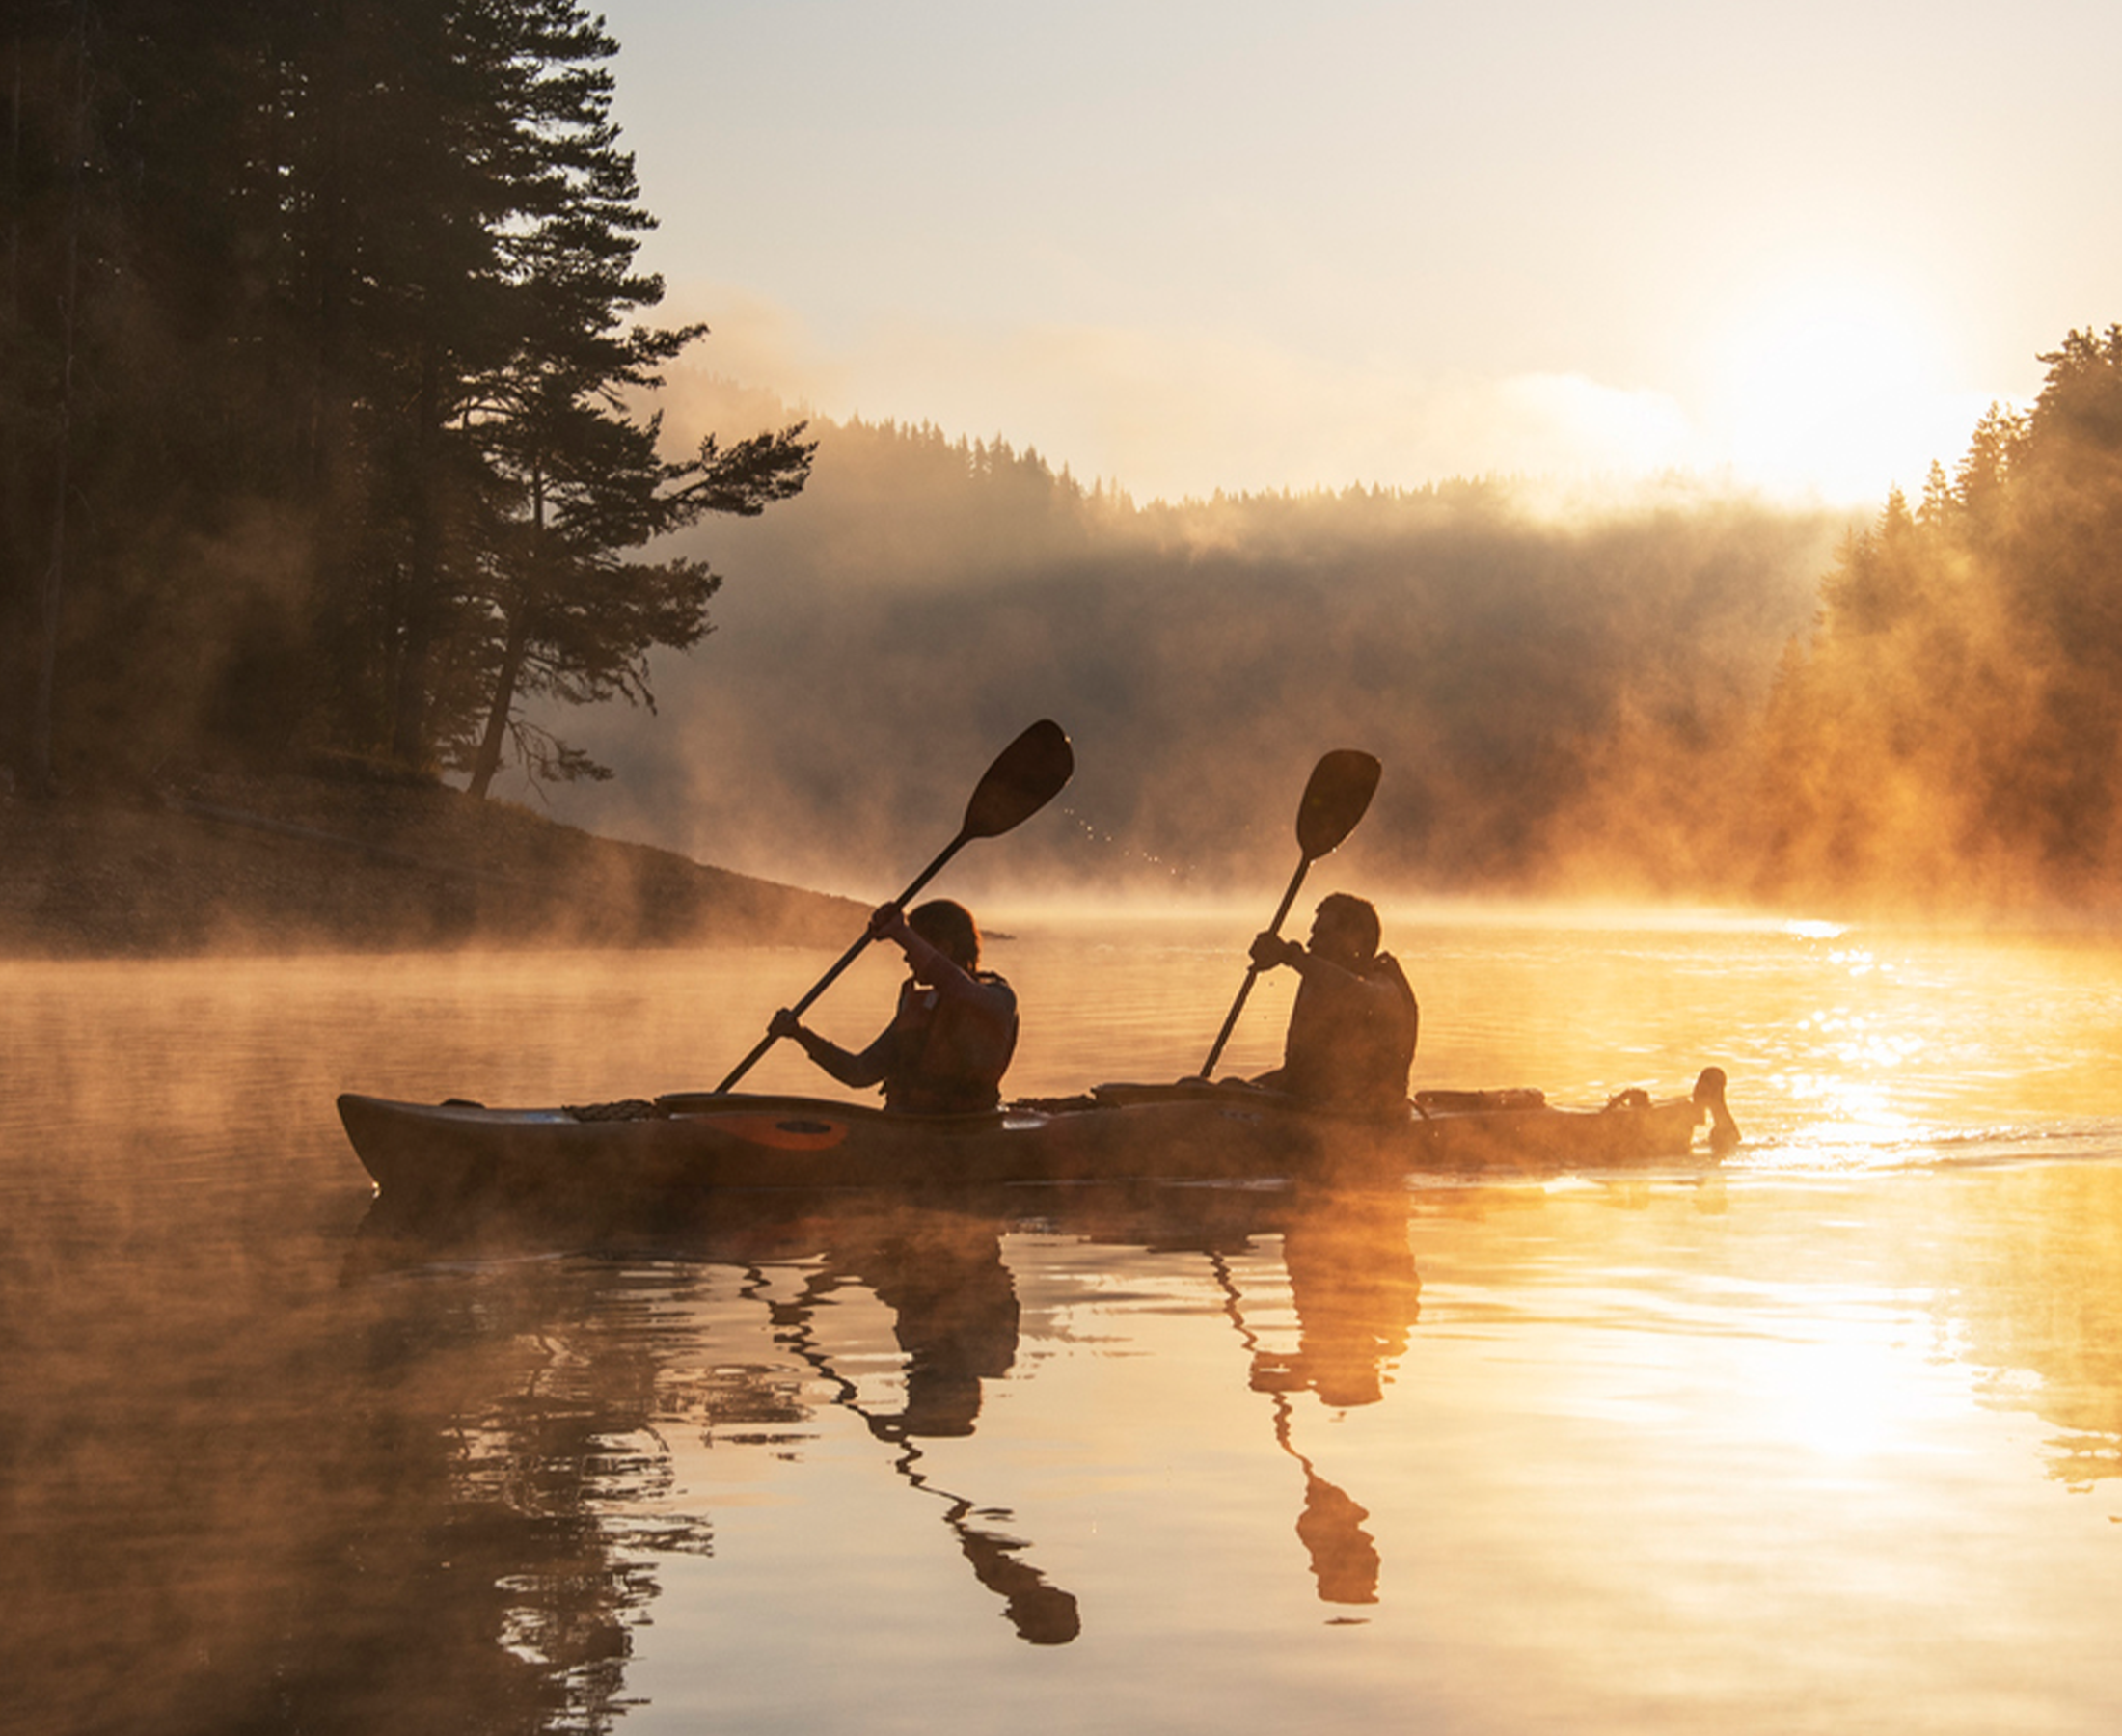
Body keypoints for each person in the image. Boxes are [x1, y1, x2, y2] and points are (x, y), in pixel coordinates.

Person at [770, 899, 1019, 1114]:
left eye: (913, 946)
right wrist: (799, 1034)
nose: (906, 956)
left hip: (968, 1129)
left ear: (944, 948)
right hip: (905, 1128)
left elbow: (957, 989)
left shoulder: (998, 998)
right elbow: (860, 1072)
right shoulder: (918, 1006)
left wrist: (901, 933)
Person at [1246, 892, 1418, 1111]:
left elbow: (1355, 992)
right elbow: (1295, 1075)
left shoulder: (1385, 988)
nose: (1310, 943)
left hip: (1370, 1118)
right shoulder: (1320, 979)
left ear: (1354, 940)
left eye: (1322, 935)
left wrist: (1289, 956)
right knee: (1217, 1088)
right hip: (1310, 1105)